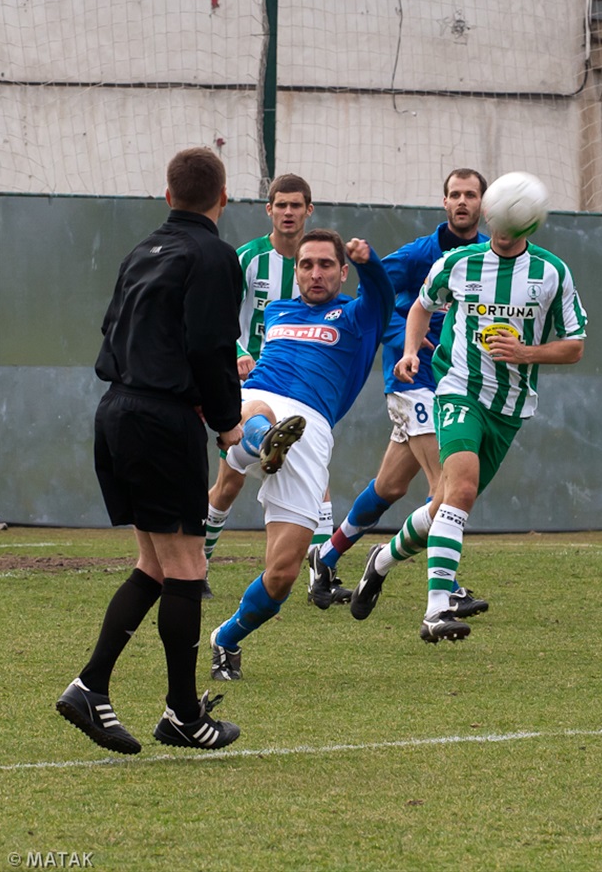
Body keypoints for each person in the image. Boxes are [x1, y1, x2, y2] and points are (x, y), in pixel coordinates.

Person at [56, 147, 246, 754]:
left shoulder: (142, 249)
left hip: (116, 411)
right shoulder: (214, 254)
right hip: (163, 422)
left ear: (167, 197)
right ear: (223, 197)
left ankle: (91, 687)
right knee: (188, 569)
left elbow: (116, 331)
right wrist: (227, 423)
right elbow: (211, 346)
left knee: (155, 566)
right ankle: (184, 714)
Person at [349, 211, 587, 642]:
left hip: (509, 407)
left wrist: (525, 352)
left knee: (445, 505)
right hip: (457, 390)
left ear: (528, 224)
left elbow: (574, 347)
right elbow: (421, 306)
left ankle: (381, 560)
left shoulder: (551, 271)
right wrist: (409, 351)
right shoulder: (458, 262)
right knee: (458, 491)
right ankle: (437, 610)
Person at [209, 229, 394, 681]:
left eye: (326, 264)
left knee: (282, 577)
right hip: (261, 400)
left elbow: (383, 296)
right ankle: (257, 439)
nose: (315, 272)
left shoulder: (356, 316)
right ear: (296, 271)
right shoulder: (277, 310)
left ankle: (225, 639)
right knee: (253, 407)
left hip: (308, 430)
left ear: (343, 272)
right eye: (306, 264)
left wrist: (370, 261)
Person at [308, 168, 489, 616]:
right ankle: (445, 588)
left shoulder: (488, 258)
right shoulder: (417, 255)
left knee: (388, 486)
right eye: (454, 194)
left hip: (456, 383)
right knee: (443, 488)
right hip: (416, 382)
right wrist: (404, 336)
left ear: (482, 204)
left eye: (470, 194)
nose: (462, 201)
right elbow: (373, 301)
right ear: (443, 203)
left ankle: (325, 557)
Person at [202, 175, 350, 603]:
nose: (288, 212)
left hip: (302, 390)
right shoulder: (247, 259)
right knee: (228, 484)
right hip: (249, 385)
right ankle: (200, 566)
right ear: (268, 210)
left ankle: (322, 578)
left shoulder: (321, 267)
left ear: (309, 210)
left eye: (296, 205)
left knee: (316, 479)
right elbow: (217, 315)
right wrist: (238, 352)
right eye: (280, 205)